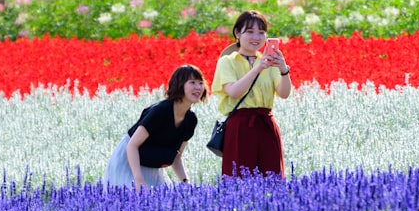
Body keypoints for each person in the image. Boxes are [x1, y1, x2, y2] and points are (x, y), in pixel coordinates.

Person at [210, 10, 292, 177]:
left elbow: (284, 93)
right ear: (237, 33)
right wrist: (258, 68)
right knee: (239, 179)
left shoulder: (269, 62)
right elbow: (233, 91)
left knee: (272, 178)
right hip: (240, 126)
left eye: (261, 33)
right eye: (250, 32)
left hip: (266, 125)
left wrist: (283, 69)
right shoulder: (227, 61)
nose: (256, 37)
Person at [104, 64, 207, 189]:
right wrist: (138, 178)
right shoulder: (160, 111)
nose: (198, 87)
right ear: (180, 85)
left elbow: (176, 155)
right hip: (129, 161)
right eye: (192, 82)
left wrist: (185, 182)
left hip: (151, 162)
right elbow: (132, 145)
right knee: (131, 200)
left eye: (201, 83)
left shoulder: (191, 120)